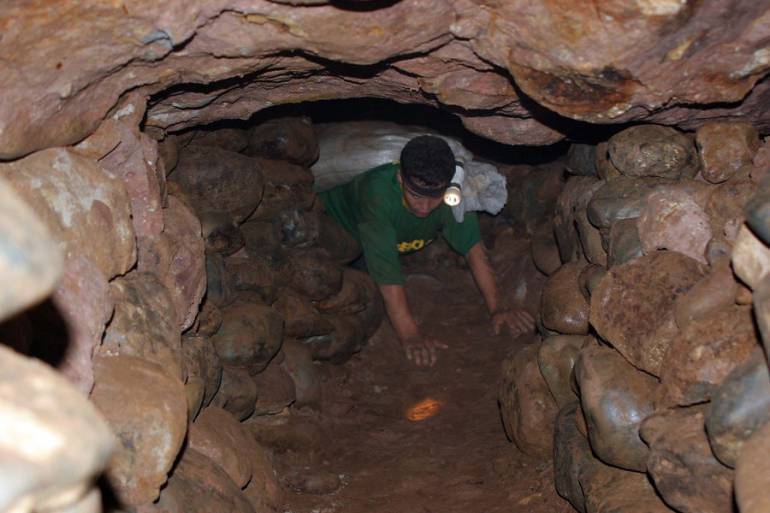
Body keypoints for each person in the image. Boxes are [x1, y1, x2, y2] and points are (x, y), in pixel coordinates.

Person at [318, 135, 534, 367]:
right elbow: (386, 271)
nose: (424, 207)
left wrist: (498, 308)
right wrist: (410, 335)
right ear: (401, 178)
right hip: (337, 228)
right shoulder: (377, 194)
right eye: (415, 196)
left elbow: (474, 249)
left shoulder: (453, 195)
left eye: (434, 198)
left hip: (392, 237)